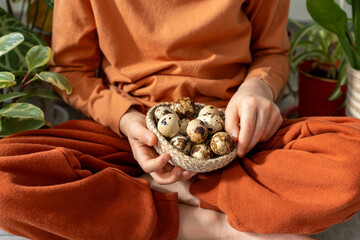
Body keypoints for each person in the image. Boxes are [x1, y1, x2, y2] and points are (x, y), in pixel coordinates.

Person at [0, 0, 360, 239]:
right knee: (5, 181)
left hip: (236, 131)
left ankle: (171, 195)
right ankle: (203, 222)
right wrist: (126, 121)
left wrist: (258, 89)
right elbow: (71, 71)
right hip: (129, 131)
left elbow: (272, 51)